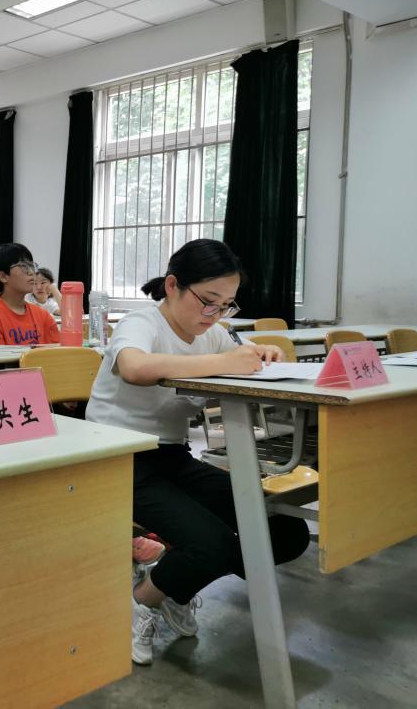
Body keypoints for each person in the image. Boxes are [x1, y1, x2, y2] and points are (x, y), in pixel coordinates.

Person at [84, 239, 309, 666]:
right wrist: (225, 362)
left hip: (171, 457)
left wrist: (262, 355)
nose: (215, 315)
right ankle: (142, 601)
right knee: (213, 544)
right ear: (172, 285)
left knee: (286, 530)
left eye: (226, 305)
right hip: (117, 458)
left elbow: (241, 355)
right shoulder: (143, 323)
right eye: (208, 301)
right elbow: (134, 367)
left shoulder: (215, 334)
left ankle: (171, 584)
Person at [0, 243, 59, 346]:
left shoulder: (43, 315)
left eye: (32, 266)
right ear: (3, 276)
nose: (31, 272)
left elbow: (57, 353)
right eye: (23, 266)